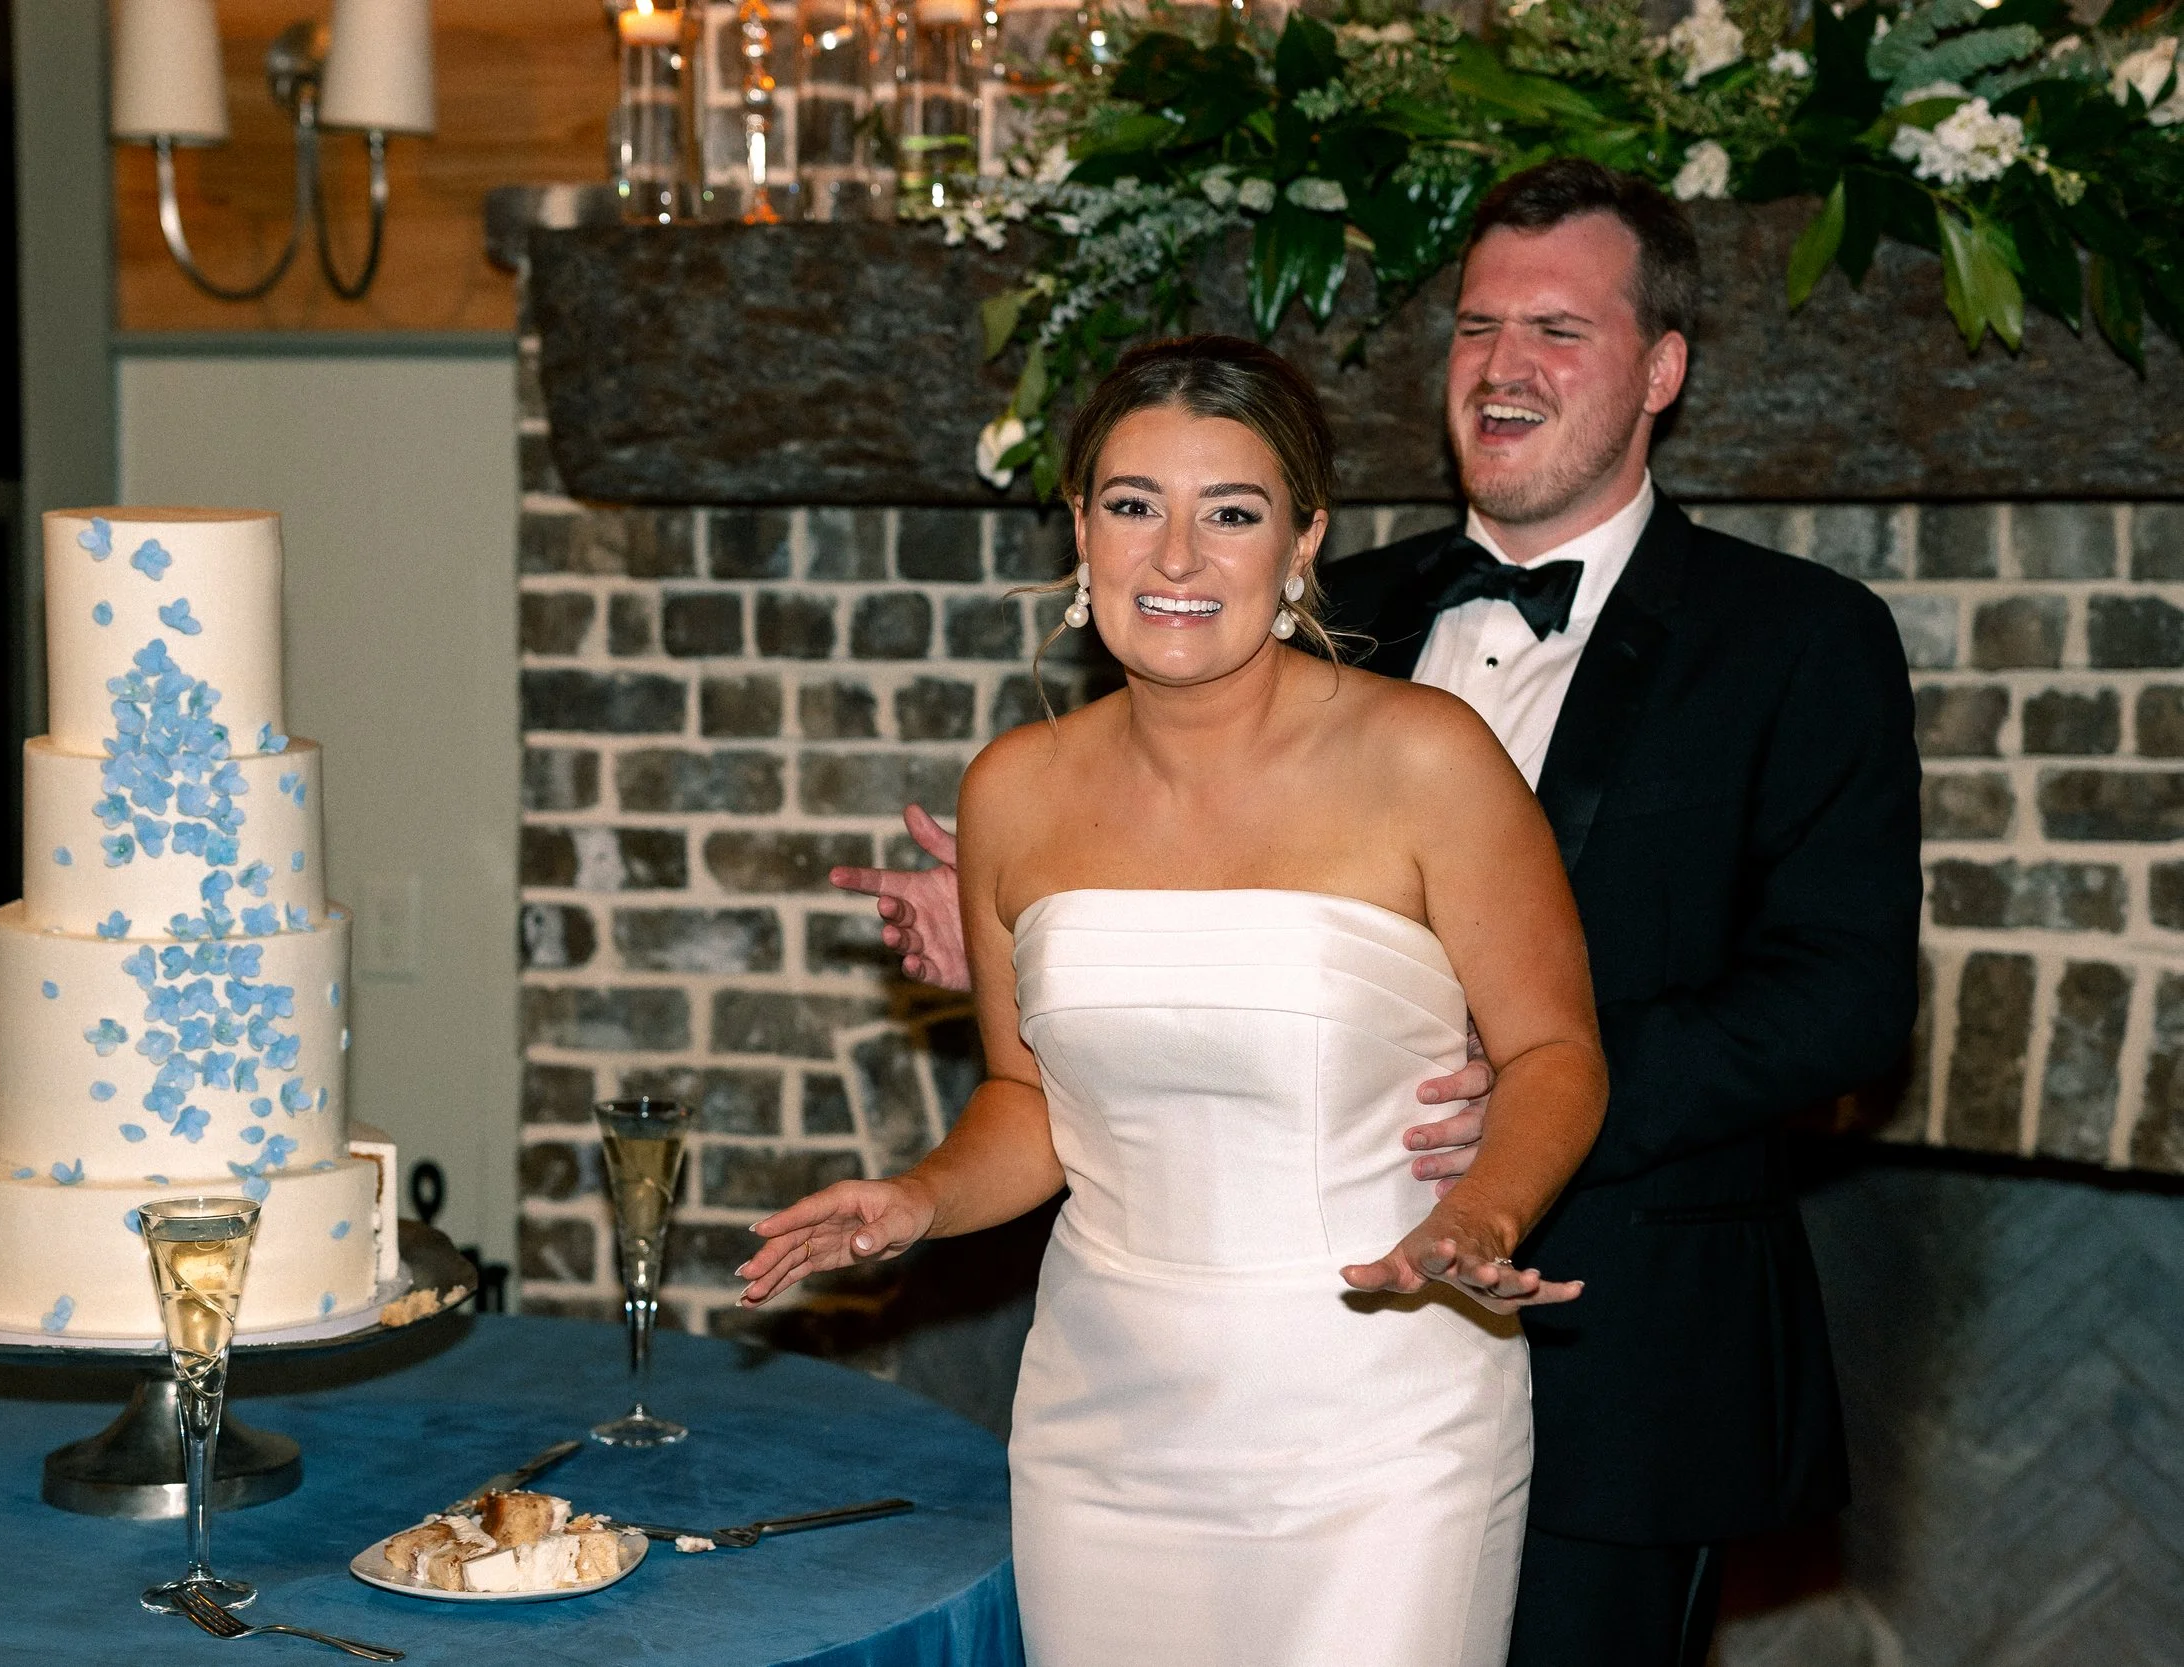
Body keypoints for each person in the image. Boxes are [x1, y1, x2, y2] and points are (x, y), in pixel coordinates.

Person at [823, 159, 1923, 1667]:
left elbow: (1846, 997)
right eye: (1477, 327)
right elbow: (1188, 915)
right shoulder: (1306, 600)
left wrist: (1503, 1123)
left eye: (1559, 330)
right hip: (1146, 1383)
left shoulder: (1798, 640)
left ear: (1663, 369)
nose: (1505, 367)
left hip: (1608, 1322)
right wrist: (1043, 946)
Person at [740, 334, 1612, 1667]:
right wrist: (916, 1197)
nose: (1178, 558)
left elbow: (1556, 1047)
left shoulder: (1428, 757)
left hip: (1384, 1412)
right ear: (1082, 529)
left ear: (1303, 541)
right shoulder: (1013, 790)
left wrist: (1482, 1209)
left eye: (1234, 513)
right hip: (1109, 1420)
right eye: (1136, 505)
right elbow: (1032, 1103)